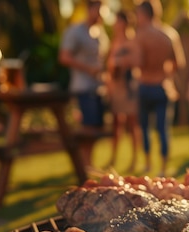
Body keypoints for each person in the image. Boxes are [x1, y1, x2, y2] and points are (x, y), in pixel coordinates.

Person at [134, 0, 186, 176]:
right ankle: (163, 168)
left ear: (144, 14)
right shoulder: (169, 34)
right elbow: (179, 63)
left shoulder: (141, 35)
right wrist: (166, 74)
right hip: (163, 86)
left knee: (145, 128)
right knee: (163, 128)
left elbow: (138, 63)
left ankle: (148, 164)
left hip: (145, 85)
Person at [59, 0, 109, 168]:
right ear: (90, 9)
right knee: (87, 127)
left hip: (98, 87)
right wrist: (88, 69)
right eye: (98, 10)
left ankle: (88, 163)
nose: (101, 14)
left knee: (95, 128)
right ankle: (83, 164)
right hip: (82, 87)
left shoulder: (100, 33)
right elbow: (64, 57)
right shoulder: (75, 31)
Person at [105, 10, 141, 172]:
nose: (114, 24)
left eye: (117, 21)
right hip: (115, 86)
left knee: (132, 123)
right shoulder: (114, 42)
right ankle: (113, 158)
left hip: (129, 87)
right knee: (116, 123)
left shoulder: (132, 41)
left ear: (124, 23)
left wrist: (121, 62)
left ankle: (135, 159)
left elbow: (136, 62)